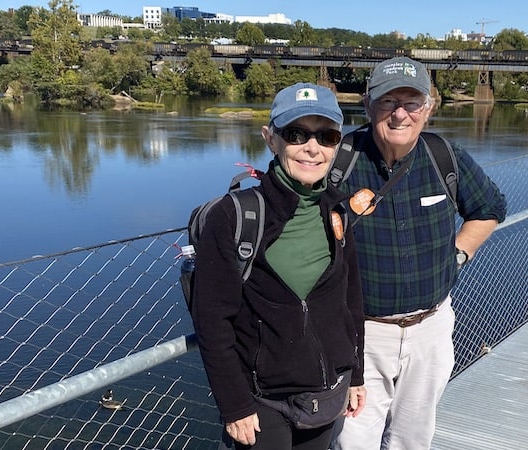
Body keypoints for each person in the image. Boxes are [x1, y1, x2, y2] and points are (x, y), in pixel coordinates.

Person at [331, 57, 507, 449]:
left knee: (413, 439)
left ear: (428, 108)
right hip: (360, 335)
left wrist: (457, 255)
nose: (400, 114)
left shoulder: (443, 157)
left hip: (430, 328)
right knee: (352, 442)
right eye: (387, 101)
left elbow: (490, 208)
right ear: (367, 104)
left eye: (412, 102)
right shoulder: (338, 162)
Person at [191, 82, 366, 450]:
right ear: (271, 139)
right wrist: (234, 404)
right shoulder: (235, 216)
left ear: (338, 144)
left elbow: (350, 303)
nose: (312, 147)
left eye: (327, 135)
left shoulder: (338, 211)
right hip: (262, 401)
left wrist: (355, 375)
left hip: (326, 393)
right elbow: (212, 321)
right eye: (296, 133)